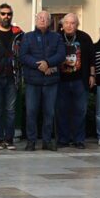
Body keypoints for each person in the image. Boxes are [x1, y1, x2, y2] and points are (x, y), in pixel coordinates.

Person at [19, 11, 64, 150]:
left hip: (51, 81)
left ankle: (47, 141)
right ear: (36, 20)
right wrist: (40, 65)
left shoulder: (56, 37)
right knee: (31, 111)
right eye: (40, 18)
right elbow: (23, 56)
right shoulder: (27, 37)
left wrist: (48, 62)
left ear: (50, 21)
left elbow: (61, 55)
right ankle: (31, 141)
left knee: (49, 112)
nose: (42, 20)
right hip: (33, 81)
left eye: (45, 18)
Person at [0, 3, 24, 148]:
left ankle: (9, 139)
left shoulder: (19, 34)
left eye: (9, 14)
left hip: (12, 77)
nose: (6, 16)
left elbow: (24, 54)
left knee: (10, 110)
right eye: (3, 13)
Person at [57, 12, 94, 147]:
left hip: (80, 80)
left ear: (77, 25)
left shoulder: (84, 38)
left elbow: (91, 59)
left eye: (72, 23)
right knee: (62, 111)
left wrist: (92, 75)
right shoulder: (57, 37)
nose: (69, 26)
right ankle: (63, 139)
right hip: (61, 80)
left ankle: (79, 140)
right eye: (67, 23)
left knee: (80, 111)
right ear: (62, 24)